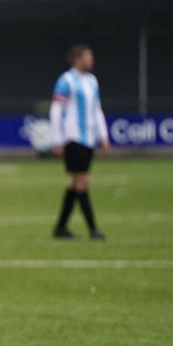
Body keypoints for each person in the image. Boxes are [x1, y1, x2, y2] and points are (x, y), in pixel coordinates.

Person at [50, 44, 110, 239]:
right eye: (88, 56)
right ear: (77, 59)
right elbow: (56, 111)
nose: (91, 59)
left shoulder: (92, 81)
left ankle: (60, 227)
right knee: (83, 181)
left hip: (89, 139)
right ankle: (93, 229)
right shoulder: (66, 81)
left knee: (76, 184)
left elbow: (97, 110)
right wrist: (57, 139)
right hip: (73, 138)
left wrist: (103, 135)